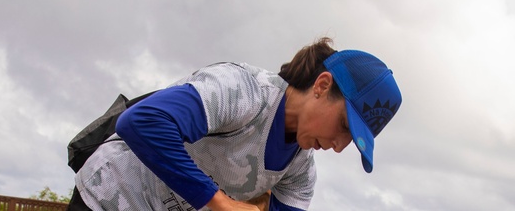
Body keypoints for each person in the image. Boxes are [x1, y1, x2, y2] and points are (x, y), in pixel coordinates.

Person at [69, 38, 403, 211]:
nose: (339, 145)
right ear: (322, 85)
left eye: (353, 141)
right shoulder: (242, 91)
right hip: (110, 198)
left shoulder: (300, 173)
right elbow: (142, 122)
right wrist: (220, 202)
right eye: (344, 126)